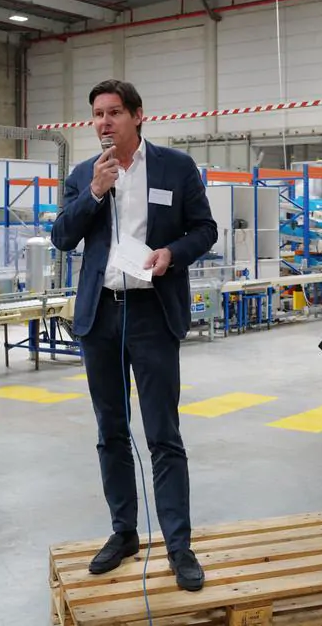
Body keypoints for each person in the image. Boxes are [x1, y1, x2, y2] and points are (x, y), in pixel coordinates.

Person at [50, 79, 218, 592]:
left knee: (163, 433)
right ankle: (123, 532)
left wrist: (172, 254)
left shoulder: (175, 167)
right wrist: (95, 193)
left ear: (138, 115)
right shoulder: (84, 174)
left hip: (152, 313)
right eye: (98, 114)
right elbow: (62, 236)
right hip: (100, 316)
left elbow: (205, 229)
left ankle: (178, 545)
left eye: (114, 112)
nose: (104, 122)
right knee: (111, 431)